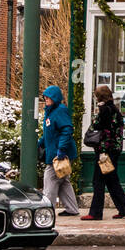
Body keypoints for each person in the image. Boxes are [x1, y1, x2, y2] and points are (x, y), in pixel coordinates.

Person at [81, 85, 125, 221]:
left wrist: (103, 150)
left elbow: (100, 128)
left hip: (105, 151)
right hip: (114, 150)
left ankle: (95, 212)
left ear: (99, 97)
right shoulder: (115, 110)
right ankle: (124, 208)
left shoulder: (105, 110)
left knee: (98, 181)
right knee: (111, 180)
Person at [40, 85, 80, 216]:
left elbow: (67, 130)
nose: (45, 99)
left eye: (48, 97)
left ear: (55, 98)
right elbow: (49, 132)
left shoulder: (60, 110)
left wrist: (61, 149)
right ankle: (72, 209)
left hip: (58, 155)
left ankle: (46, 211)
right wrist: (40, 142)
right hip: (56, 152)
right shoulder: (51, 111)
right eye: (45, 97)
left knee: (50, 180)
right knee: (63, 182)